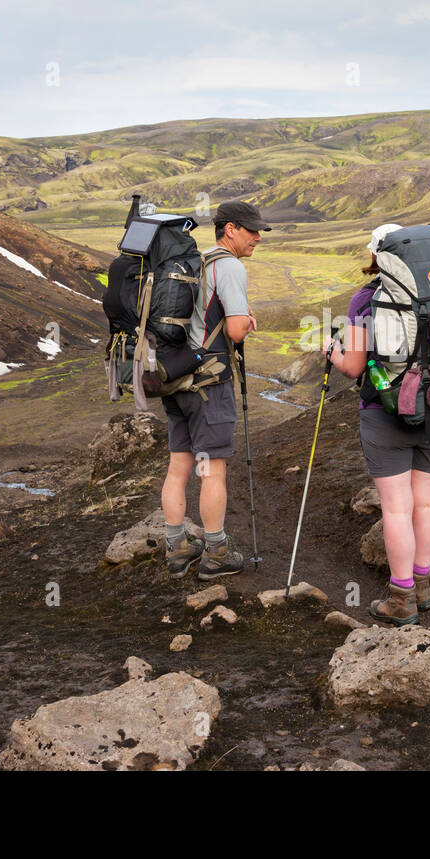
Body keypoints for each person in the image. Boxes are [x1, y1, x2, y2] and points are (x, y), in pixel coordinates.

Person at [328, 223, 430, 625]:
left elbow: (354, 366)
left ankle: (401, 598)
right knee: (427, 501)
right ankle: (423, 585)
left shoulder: (366, 300)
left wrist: (331, 351)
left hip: (386, 411)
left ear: (378, 256)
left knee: (397, 509)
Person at [161, 200, 268, 579]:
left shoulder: (196, 261)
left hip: (175, 379)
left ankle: (177, 549)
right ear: (230, 229)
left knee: (179, 467)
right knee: (213, 471)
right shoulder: (229, 266)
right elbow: (236, 330)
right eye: (251, 230)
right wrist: (249, 321)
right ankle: (216, 552)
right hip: (209, 384)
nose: (257, 237)